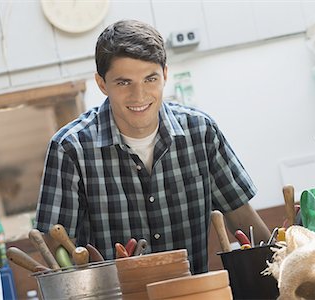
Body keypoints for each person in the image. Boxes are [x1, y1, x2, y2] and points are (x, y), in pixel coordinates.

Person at [35, 19, 270, 274]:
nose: (139, 95)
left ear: (165, 75)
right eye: (124, 82)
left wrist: (282, 271)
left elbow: (246, 222)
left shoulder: (201, 132)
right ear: (102, 84)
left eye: (150, 79)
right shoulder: (70, 149)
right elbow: (55, 249)